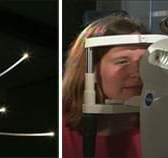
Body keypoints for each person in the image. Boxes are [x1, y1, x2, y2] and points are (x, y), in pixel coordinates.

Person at [62, 15, 150, 158]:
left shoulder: (164, 125)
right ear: (90, 69)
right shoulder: (61, 132)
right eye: (122, 61)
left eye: (144, 61)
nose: (137, 73)